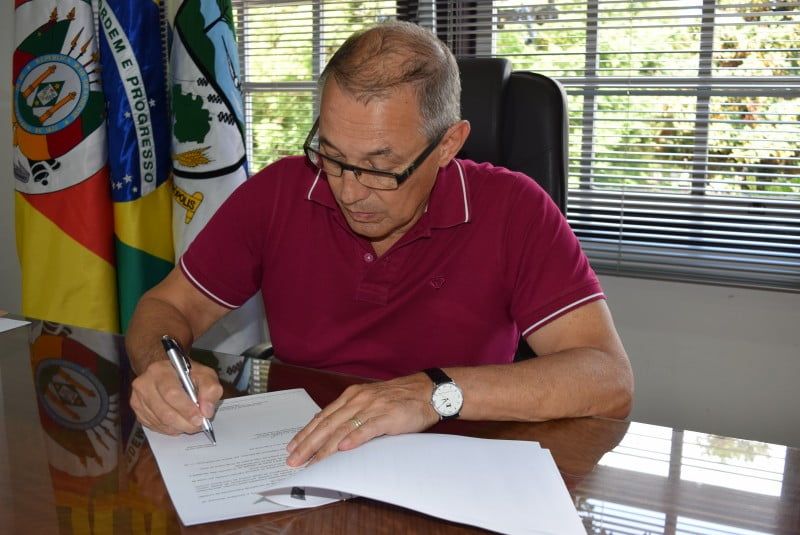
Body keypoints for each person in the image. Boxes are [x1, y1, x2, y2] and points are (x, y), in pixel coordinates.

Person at [126, 21, 633, 467]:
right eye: (332, 155)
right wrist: (160, 368)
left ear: (448, 144)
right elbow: (168, 306)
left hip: (458, 460)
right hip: (301, 457)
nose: (349, 192)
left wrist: (431, 393)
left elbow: (606, 377)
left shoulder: (514, 209)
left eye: (380, 168)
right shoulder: (280, 192)